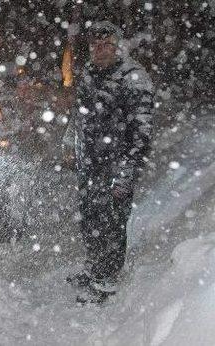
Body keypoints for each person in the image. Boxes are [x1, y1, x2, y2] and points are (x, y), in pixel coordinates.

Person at [68, 21, 154, 303]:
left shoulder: (133, 77)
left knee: (112, 222)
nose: (100, 50)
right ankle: (95, 268)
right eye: (95, 45)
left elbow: (141, 133)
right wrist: (72, 145)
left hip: (117, 165)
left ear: (119, 47)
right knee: (90, 219)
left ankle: (106, 281)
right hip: (90, 165)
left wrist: (126, 171)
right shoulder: (90, 73)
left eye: (107, 45)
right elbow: (79, 116)